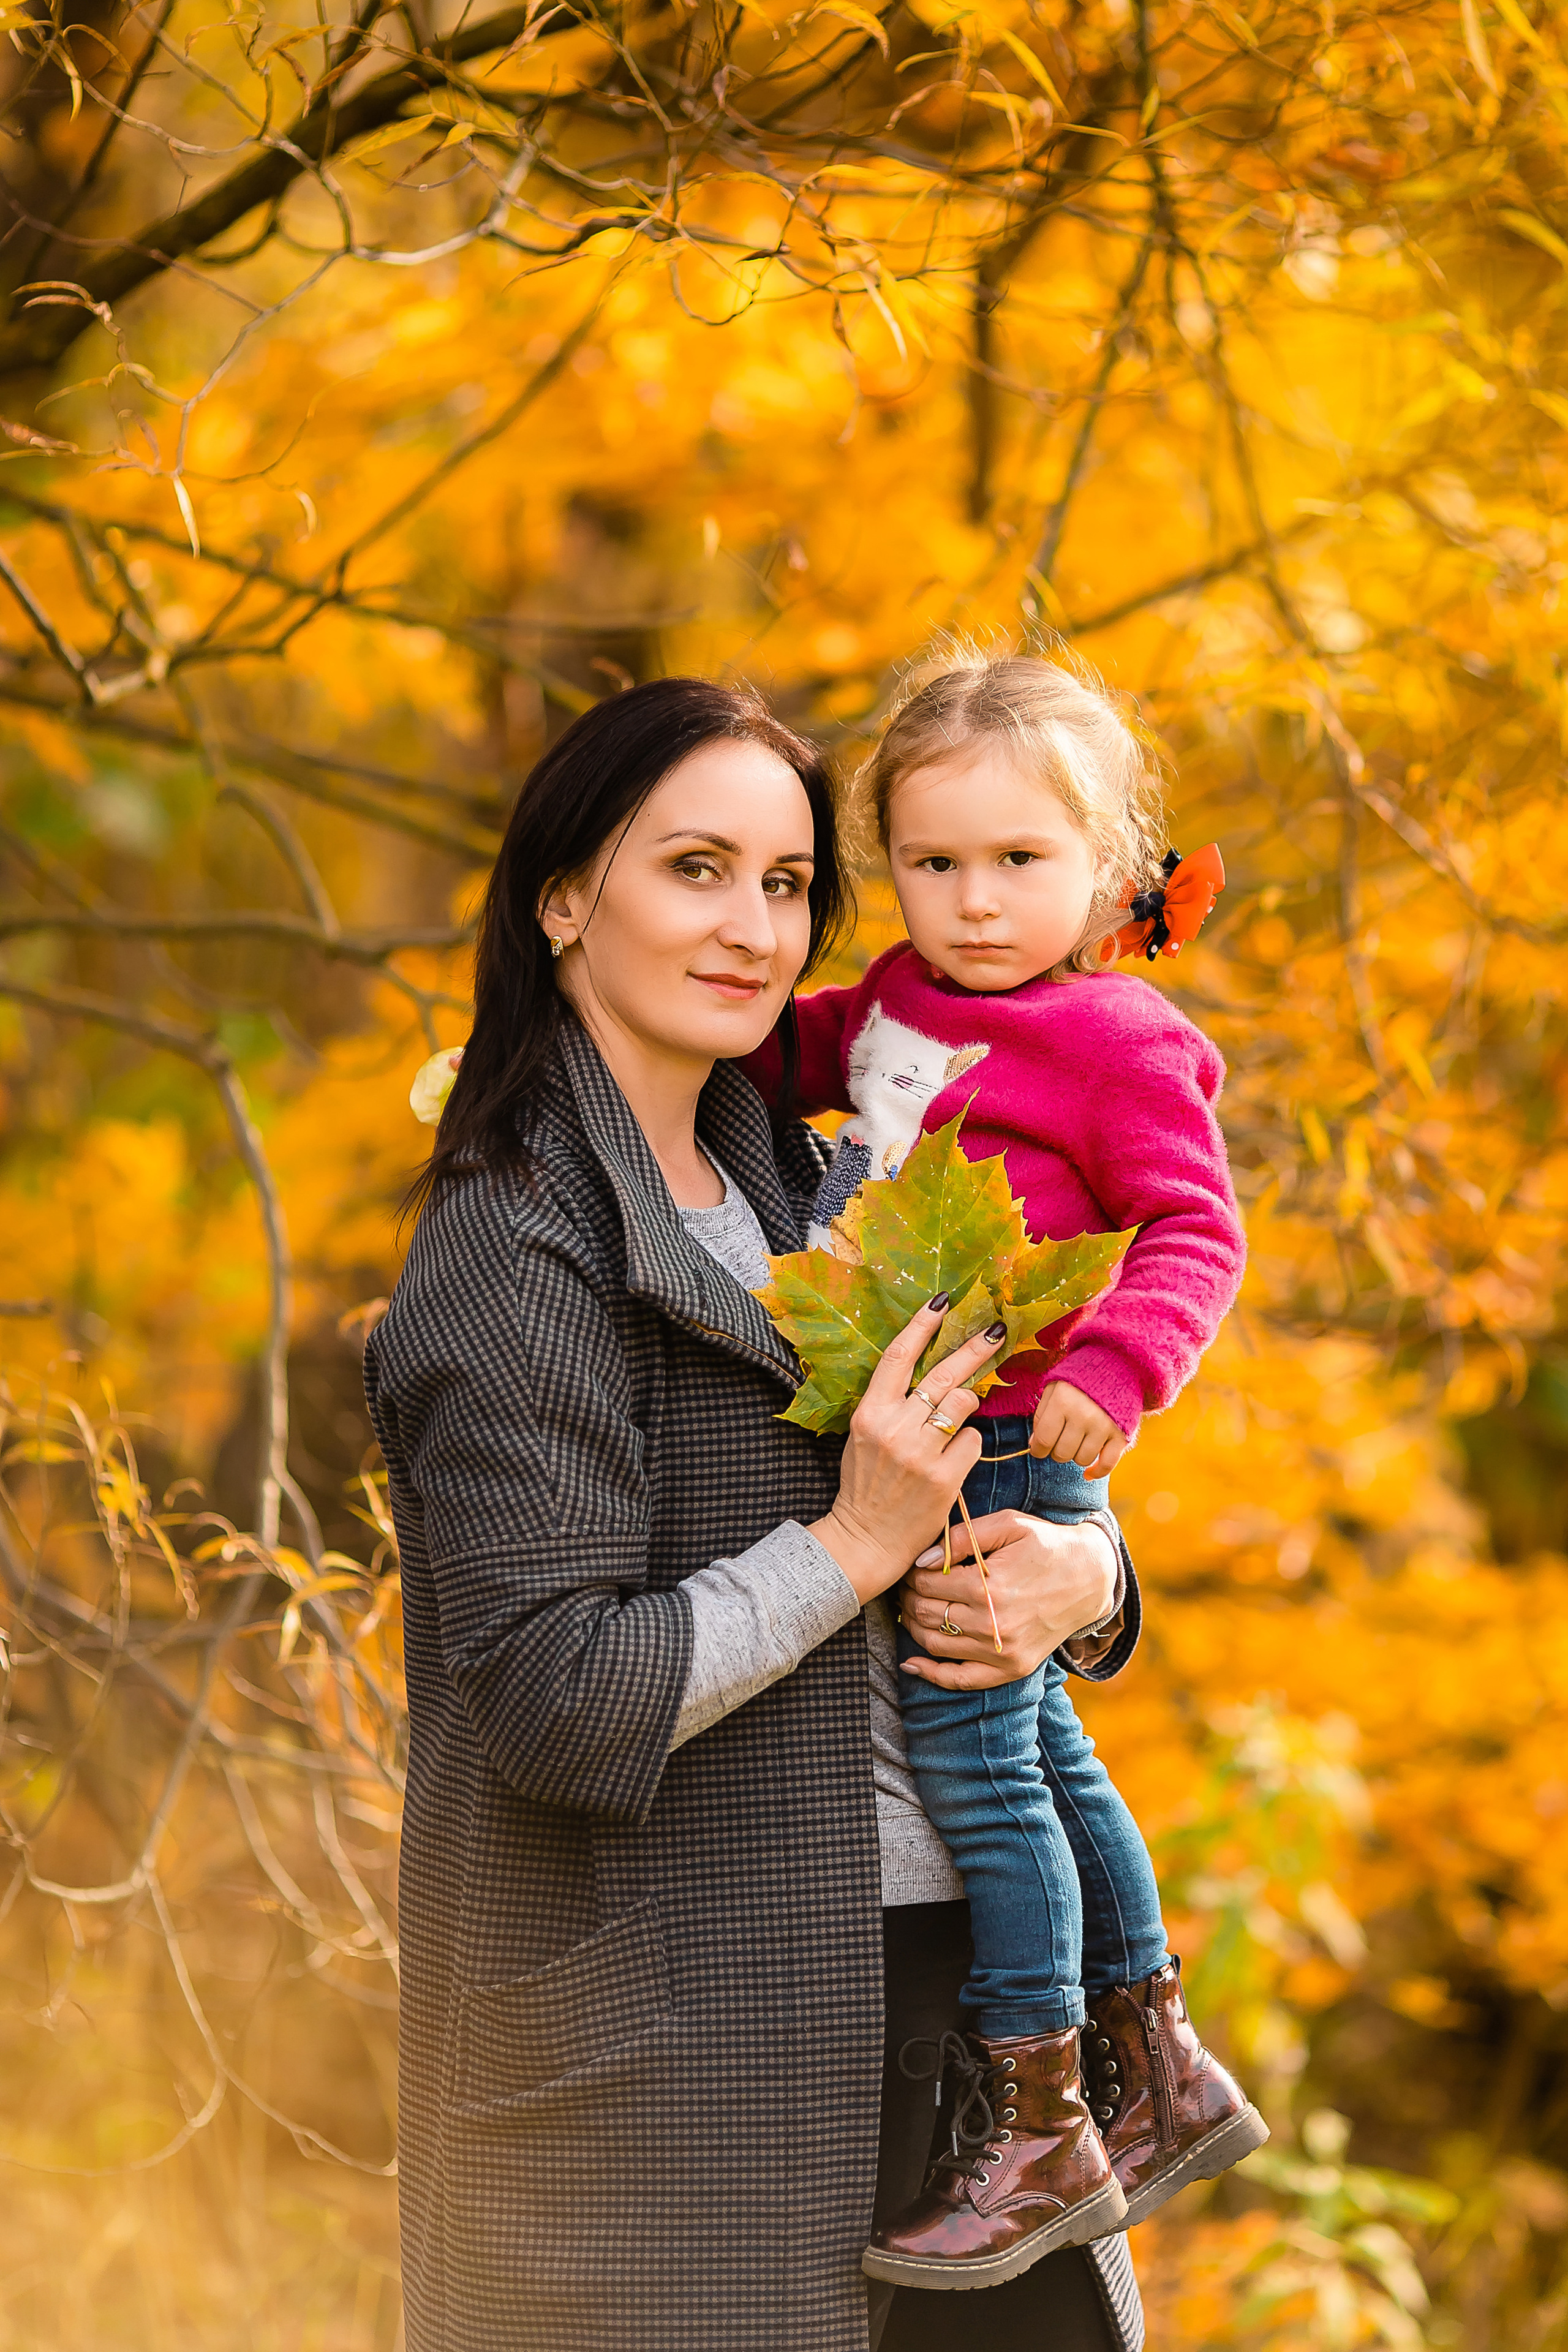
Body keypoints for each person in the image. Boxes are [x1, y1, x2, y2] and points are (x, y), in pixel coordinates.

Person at [366, 675, 1147, 2352]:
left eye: (788, 884)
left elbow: (1011, 1455)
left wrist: (1083, 1573)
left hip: (967, 2016)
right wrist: (852, 1547)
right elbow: (558, 1699)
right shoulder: (514, 1250)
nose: (753, 928)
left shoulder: (835, 1185)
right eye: (695, 869)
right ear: (562, 898)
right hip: (680, 2061)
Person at [745, 652, 1267, 2291]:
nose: (975, 902)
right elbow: (780, 1050)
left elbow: (1196, 1230)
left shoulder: (1117, 1039)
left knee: (979, 1770)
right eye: (935, 860)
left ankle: (1041, 2109)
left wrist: (1117, 1374)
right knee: (1047, 1754)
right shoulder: (898, 997)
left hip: (1024, 1449)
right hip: (943, 1434)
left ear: (1106, 865)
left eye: (1021, 860)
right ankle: (1163, 2065)